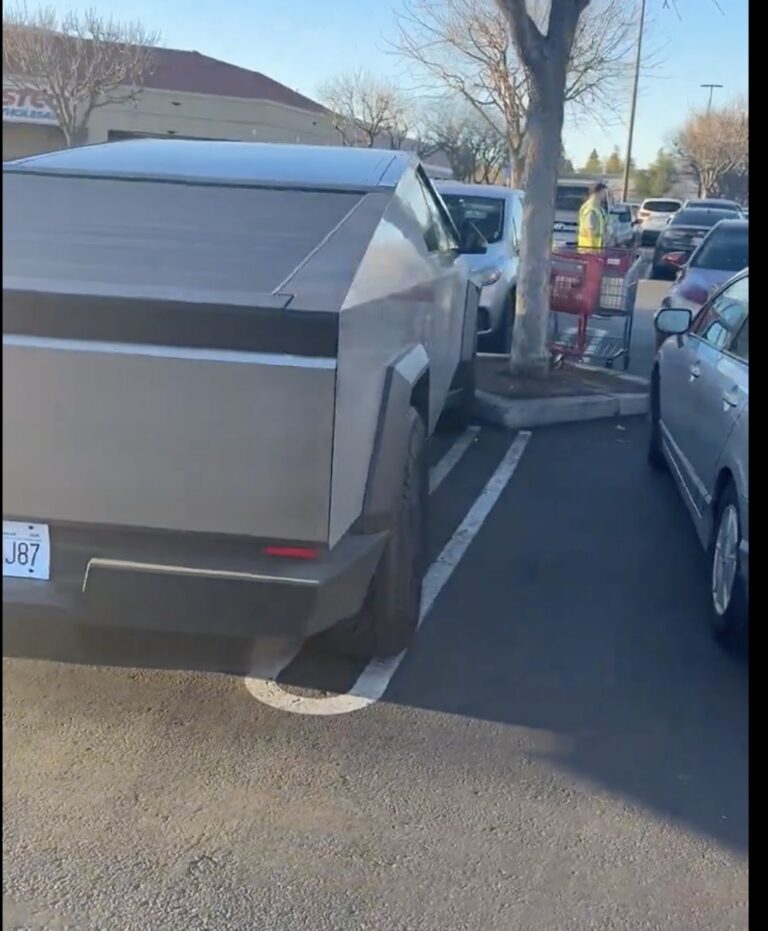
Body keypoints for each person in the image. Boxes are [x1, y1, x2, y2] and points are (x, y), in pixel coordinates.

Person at [577, 181, 609, 249]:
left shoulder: (597, 208)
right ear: (599, 192)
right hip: (588, 247)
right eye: (604, 192)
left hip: (595, 246)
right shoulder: (590, 208)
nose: (605, 195)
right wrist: (591, 248)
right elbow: (590, 229)